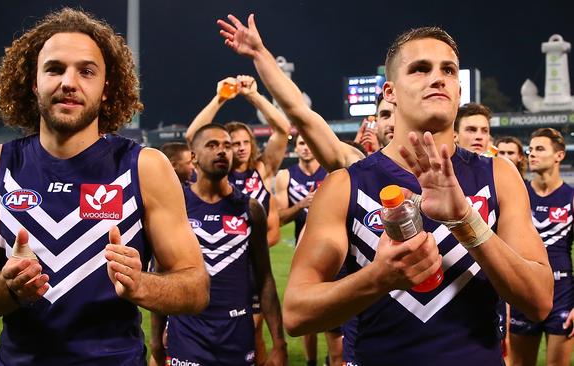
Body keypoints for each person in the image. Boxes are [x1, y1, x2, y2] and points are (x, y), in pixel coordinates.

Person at [218, 15, 553, 365]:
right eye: (420, 69)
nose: (438, 78)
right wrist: (379, 278)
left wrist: (465, 220)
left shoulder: (499, 174)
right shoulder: (346, 184)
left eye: (449, 71)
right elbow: (298, 314)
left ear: (458, 90)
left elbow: (539, 301)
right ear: (389, 92)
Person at [0, 8, 209, 365]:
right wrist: (7, 287)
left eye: (86, 71)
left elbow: (196, 287)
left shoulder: (145, 167)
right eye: (55, 69)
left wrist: (142, 284)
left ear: (108, 87)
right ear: (33, 82)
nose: (69, 82)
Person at [154, 124, 287, 365]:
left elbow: (264, 277)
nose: (222, 151)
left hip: (236, 333)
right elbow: (161, 273)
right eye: (212, 145)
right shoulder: (176, 205)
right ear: (193, 156)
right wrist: (155, 339)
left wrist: (279, 342)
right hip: (188, 332)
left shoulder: (250, 209)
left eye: (227, 146)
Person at [185, 74, 288, 363]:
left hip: (250, 265)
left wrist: (254, 95)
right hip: (220, 268)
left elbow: (282, 129)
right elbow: (195, 137)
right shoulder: (216, 173)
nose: (240, 147)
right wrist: (221, 98)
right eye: (234, 142)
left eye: (244, 142)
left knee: (253, 333)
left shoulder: (262, 169)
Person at [509, 128, 574, 366]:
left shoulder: (571, 197)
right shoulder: (518, 193)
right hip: (524, 289)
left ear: (559, 155)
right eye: (530, 149)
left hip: (563, 292)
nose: (531, 154)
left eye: (539, 149)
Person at [275, 135, 342, 365]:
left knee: (332, 314)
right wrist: (301, 205)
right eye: (301, 144)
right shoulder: (286, 176)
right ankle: (311, 361)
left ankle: (333, 357)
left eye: (309, 142)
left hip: (333, 251)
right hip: (303, 253)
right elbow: (279, 218)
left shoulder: (332, 172)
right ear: (296, 148)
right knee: (308, 315)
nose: (306, 148)